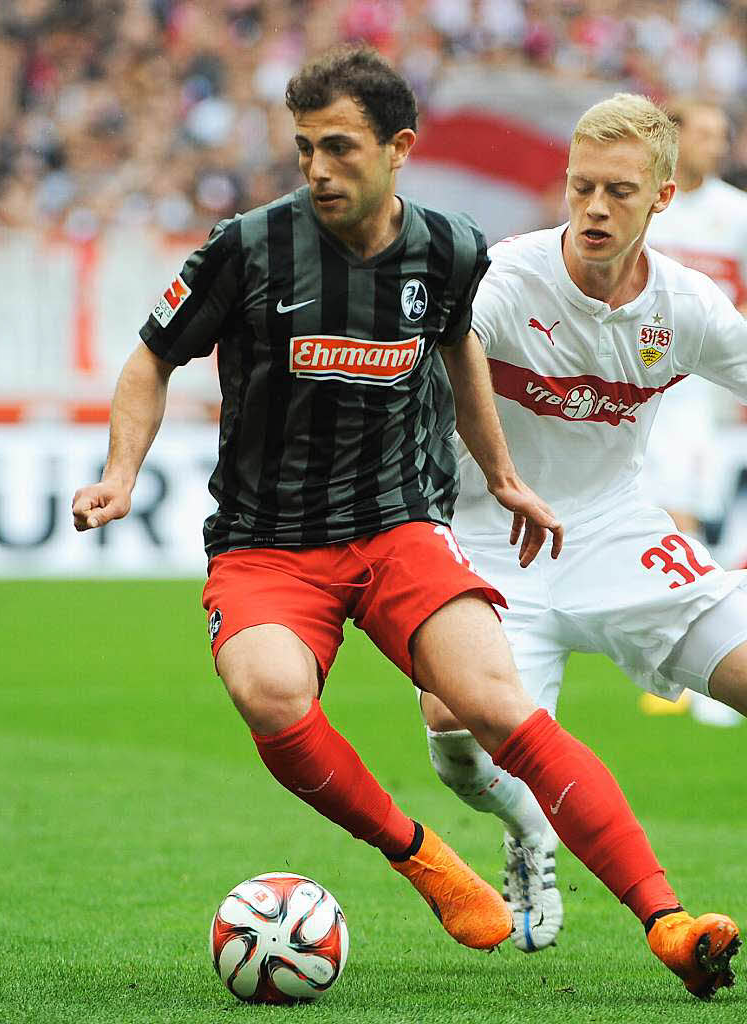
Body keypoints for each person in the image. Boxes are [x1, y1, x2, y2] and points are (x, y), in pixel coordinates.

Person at [73, 51, 734, 995]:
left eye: (338, 148)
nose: (317, 170)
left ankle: (666, 920)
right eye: (304, 149)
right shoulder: (247, 246)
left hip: (397, 529)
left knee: (494, 705)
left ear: (398, 149)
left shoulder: (450, 250)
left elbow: (461, 353)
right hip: (268, 542)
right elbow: (150, 357)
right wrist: (120, 473)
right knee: (270, 694)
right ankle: (421, 855)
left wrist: (503, 476)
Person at [420, 93, 745, 990]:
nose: (595, 209)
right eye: (581, 187)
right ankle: (530, 831)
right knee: (453, 736)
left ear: (663, 199)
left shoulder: (688, 307)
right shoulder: (499, 281)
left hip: (615, 532)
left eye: (618, 192)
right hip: (489, 544)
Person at [642, 96, 747, 726]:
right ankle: (694, 670)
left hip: (714, 391)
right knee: (679, 517)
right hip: (654, 388)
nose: (719, 143)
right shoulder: (650, 207)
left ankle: (694, 669)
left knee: (699, 521)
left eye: (723, 132)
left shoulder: (738, 215)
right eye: (706, 131)